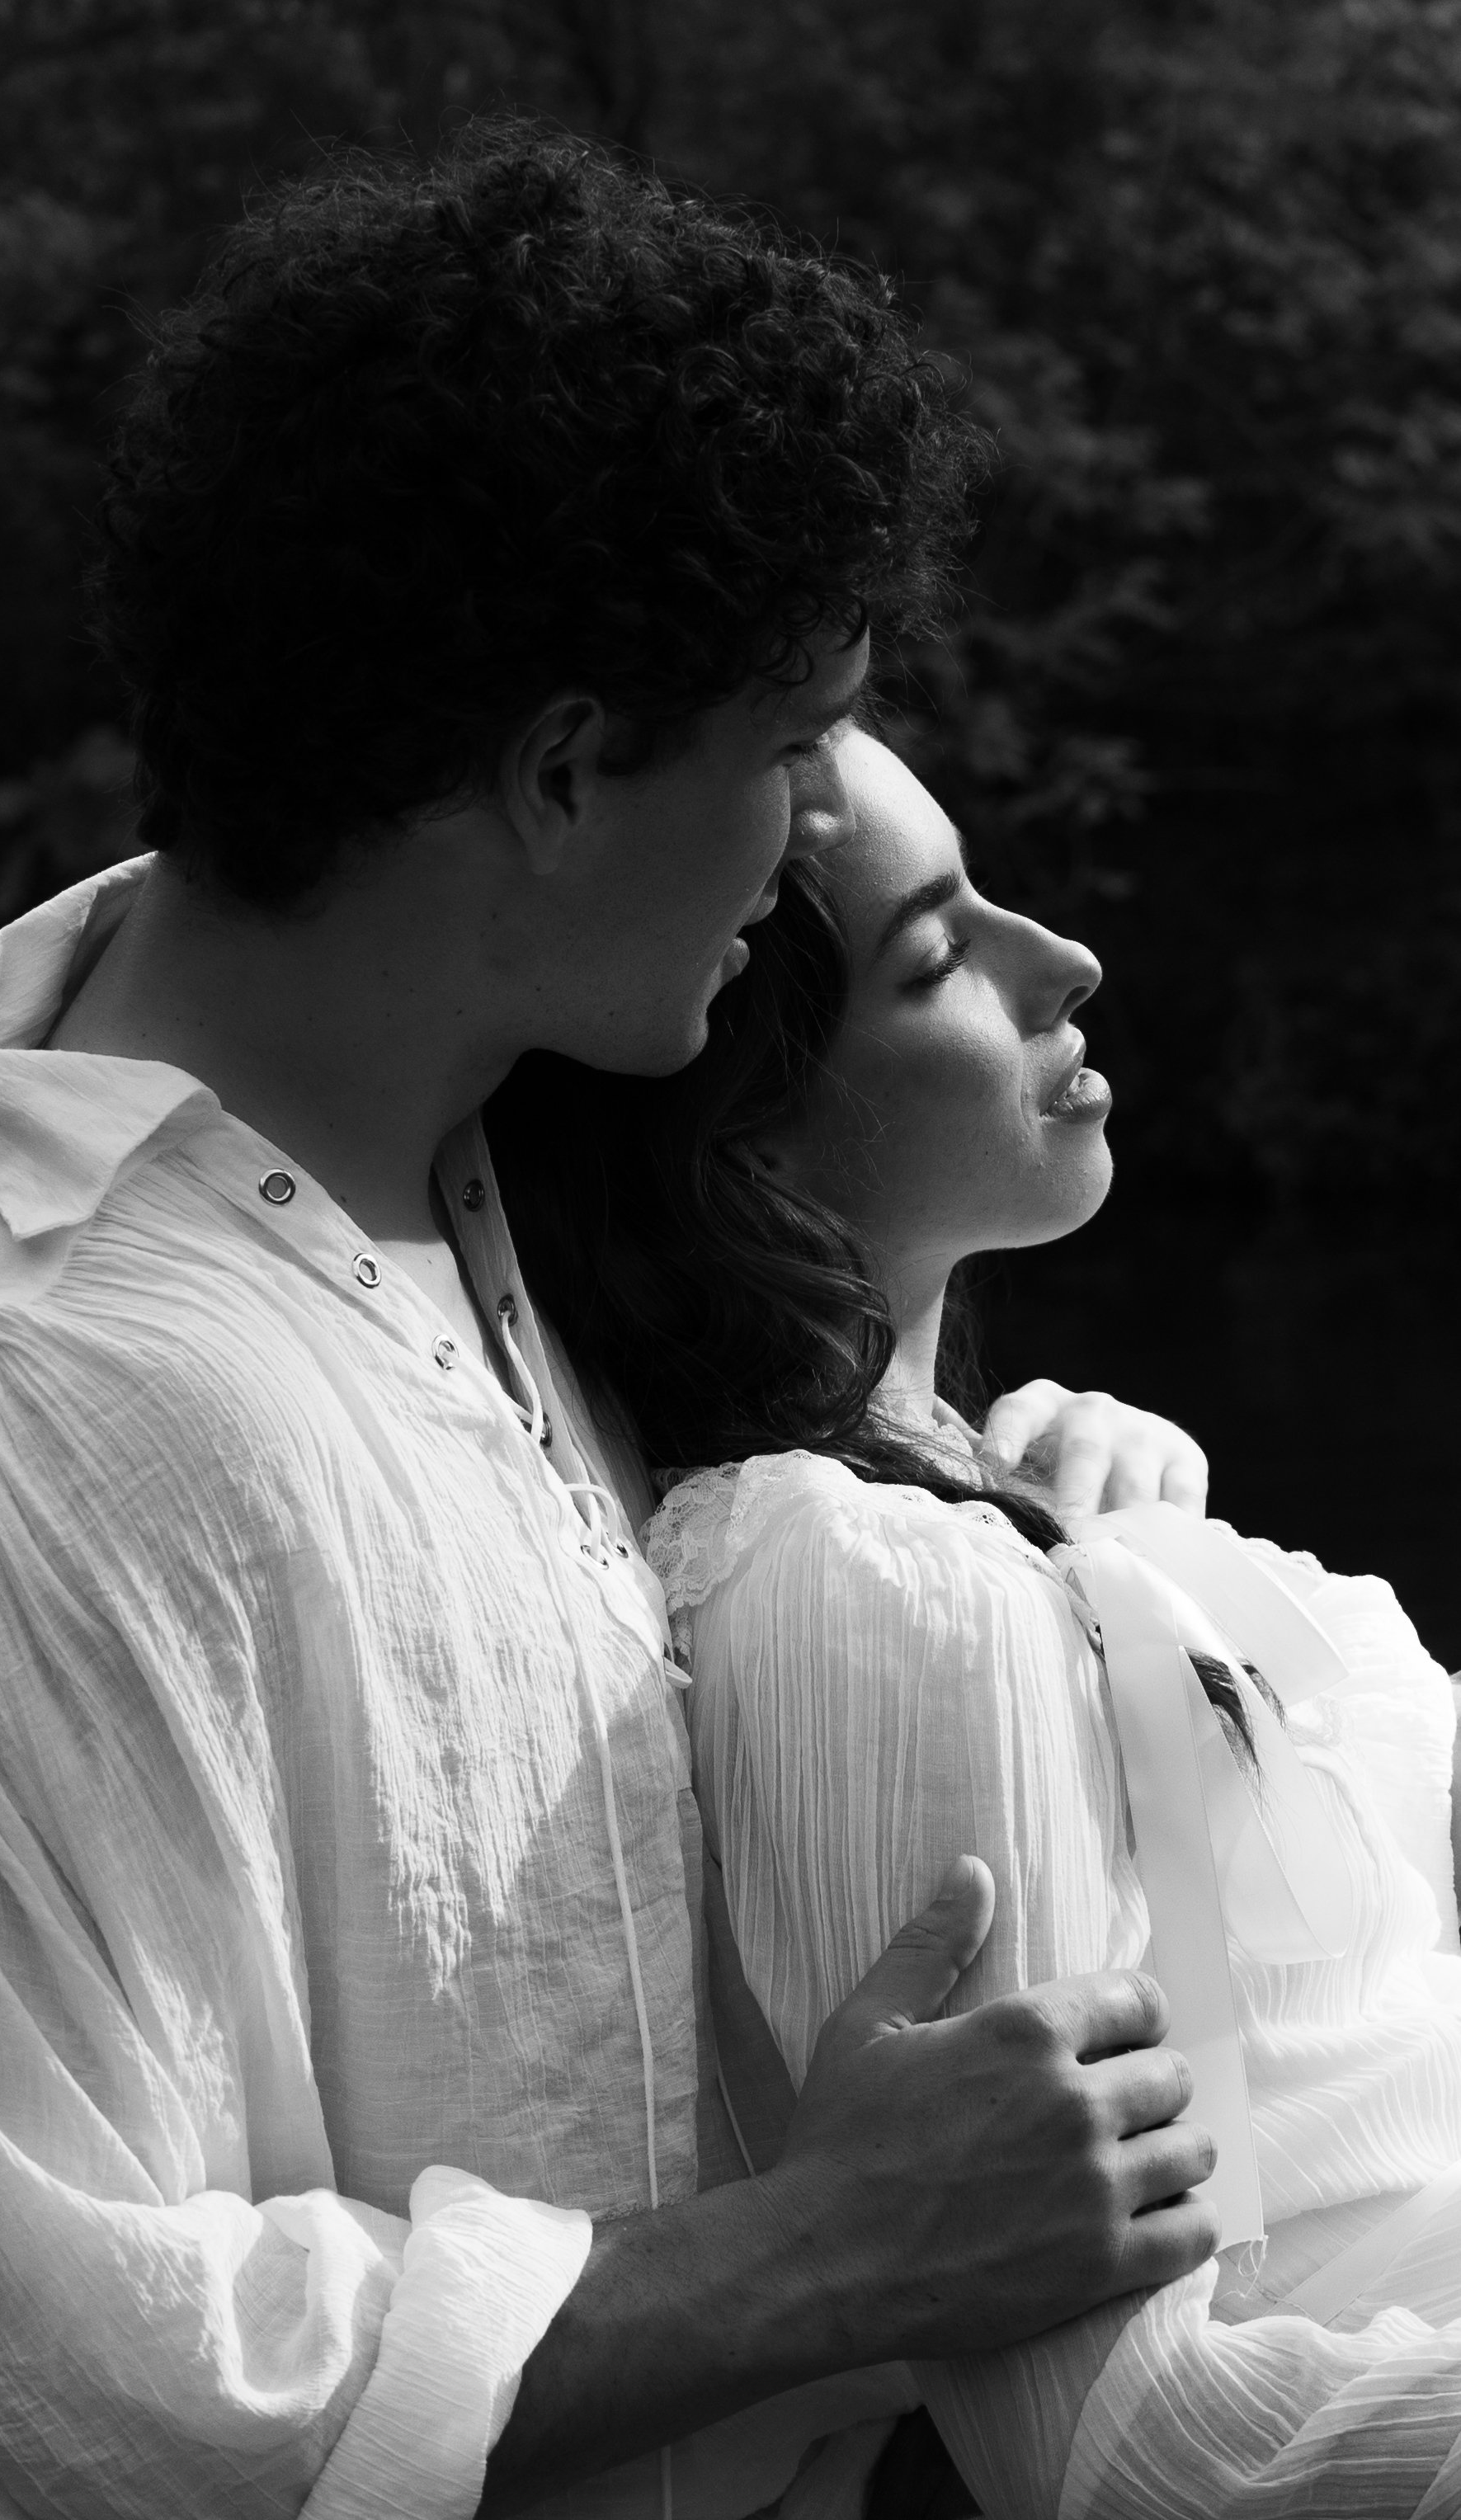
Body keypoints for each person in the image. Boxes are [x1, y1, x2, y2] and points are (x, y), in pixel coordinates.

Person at [0, 130, 1219, 2519]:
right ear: (559, 773)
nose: (795, 850)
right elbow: (3, 2390)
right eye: (784, 750)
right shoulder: (38, 1422)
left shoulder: (483, 1168)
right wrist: (810, 2261)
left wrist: (1026, 1529)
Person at [488, 723, 1461, 2517]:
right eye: (935, 953)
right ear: (749, 1145)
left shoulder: (1043, 1506)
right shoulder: (848, 1594)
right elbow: (1130, 2454)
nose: (1062, 956)